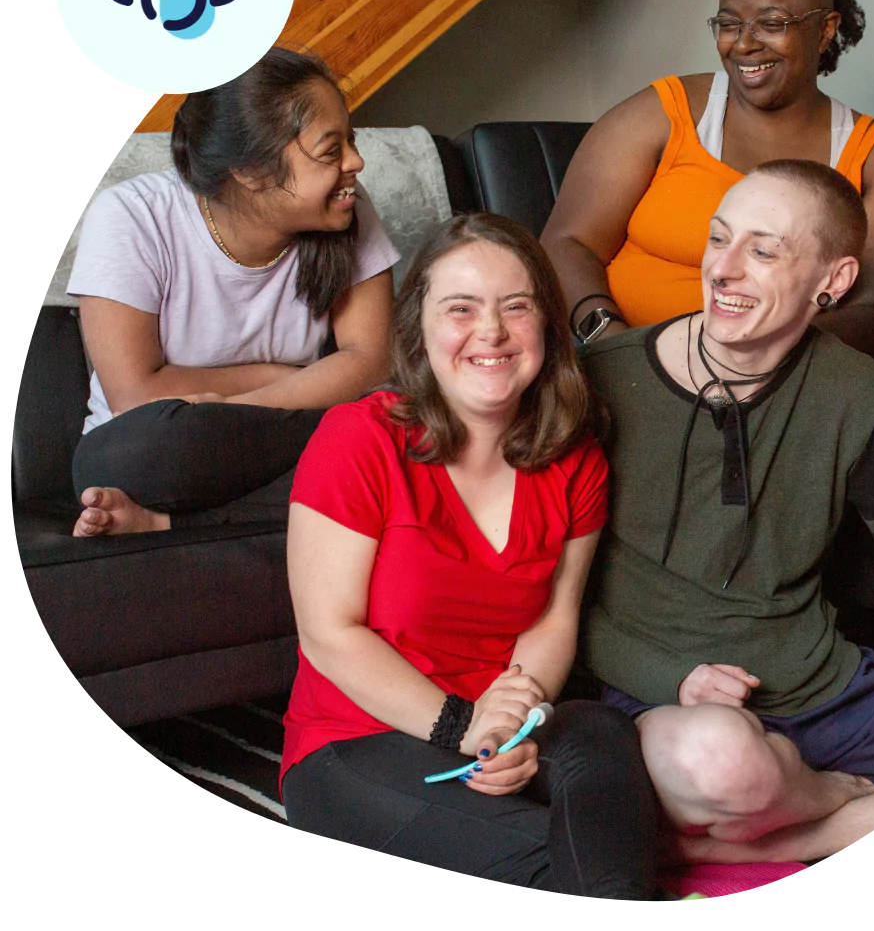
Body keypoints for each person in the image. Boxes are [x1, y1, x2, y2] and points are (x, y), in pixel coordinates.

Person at [578, 160, 874, 864]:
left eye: (763, 251)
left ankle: (796, 833)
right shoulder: (601, 380)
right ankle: (822, 798)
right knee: (720, 764)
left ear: (832, 280)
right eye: (719, 238)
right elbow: (551, 600)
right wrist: (669, 677)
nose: (723, 269)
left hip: (826, 687)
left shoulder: (857, 392)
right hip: (667, 704)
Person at [279, 213, 660, 901]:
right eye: (461, 309)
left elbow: (552, 620)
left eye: (516, 307)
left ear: (546, 326)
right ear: (419, 330)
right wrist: (463, 726)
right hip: (359, 736)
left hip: (501, 720)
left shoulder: (575, 458)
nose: (491, 331)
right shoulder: (358, 438)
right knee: (558, 862)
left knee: (601, 734)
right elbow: (328, 634)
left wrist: (510, 720)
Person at [542, 0, 874, 360]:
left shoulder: (871, 154)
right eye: (729, 23)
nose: (743, 45)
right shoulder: (664, 112)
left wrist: (755, 357)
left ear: (825, 29)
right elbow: (566, 243)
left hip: (778, 381)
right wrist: (615, 344)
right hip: (624, 364)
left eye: (772, 23)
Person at [67, 46, 400, 537]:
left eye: (350, 140)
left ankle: (172, 523)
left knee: (405, 429)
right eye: (332, 151)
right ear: (250, 170)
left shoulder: (346, 207)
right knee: (139, 454)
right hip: (169, 448)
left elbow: (371, 359)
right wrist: (281, 378)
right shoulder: (132, 217)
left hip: (279, 435)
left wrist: (243, 406)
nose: (356, 162)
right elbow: (135, 395)